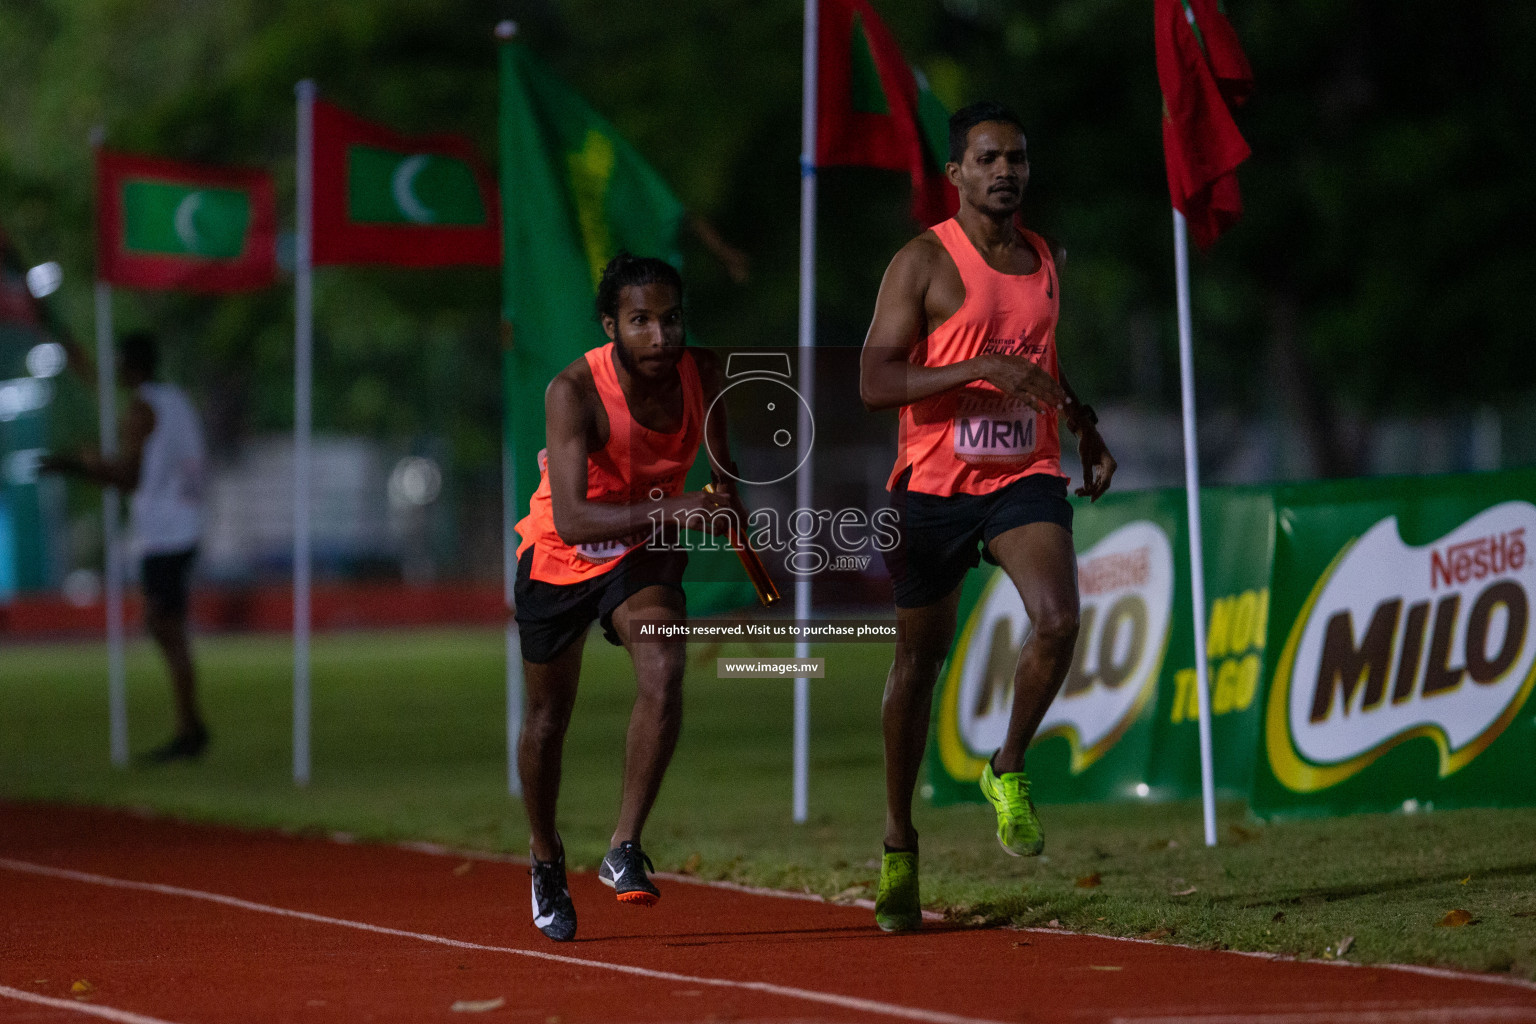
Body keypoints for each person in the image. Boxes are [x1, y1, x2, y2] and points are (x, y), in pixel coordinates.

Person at [858, 101, 1117, 932]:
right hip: (932, 489)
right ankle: (899, 843)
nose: (1006, 171)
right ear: (956, 173)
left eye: (1018, 157)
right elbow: (873, 382)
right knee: (918, 663)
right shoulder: (923, 262)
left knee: (1058, 617)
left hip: (1022, 477)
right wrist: (974, 366)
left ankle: (1006, 766)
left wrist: (1084, 426)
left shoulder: (1044, 256)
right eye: (988, 158)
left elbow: (1039, 355)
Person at [513, 252, 741, 942]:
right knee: (549, 720)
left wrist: (729, 511)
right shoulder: (572, 390)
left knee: (664, 671)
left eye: (670, 319)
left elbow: (724, 474)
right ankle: (546, 855)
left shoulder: (705, 373)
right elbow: (576, 517)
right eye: (640, 321)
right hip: (563, 552)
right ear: (610, 324)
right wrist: (677, 507)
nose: (660, 336)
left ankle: (623, 847)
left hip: (643, 546)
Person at [41, 330, 210, 763]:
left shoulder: (142, 409)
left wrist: (78, 468)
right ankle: (189, 725)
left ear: (131, 365)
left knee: (163, 626)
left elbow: (129, 477)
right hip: (185, 524)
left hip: (164, 532)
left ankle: (189, 728)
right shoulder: (176, 400)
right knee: (165, 626)